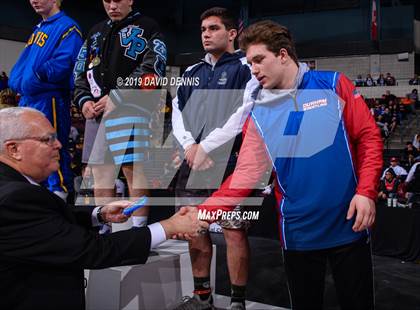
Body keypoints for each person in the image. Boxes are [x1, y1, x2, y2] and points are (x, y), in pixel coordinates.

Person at [198, 20, 383, 309]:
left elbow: (369, 137)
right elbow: (246, 174)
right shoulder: (258, 114)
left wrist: (366, 191)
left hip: (350, 225)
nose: (254, 69)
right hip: (298, 233)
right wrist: (203, 212)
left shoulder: (333, 84)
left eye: (259, 60)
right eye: (250, 63)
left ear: (283, 55)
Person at [0, 107, 208, 310]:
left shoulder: (12, 187)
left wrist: (98, 214)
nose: (59, 145)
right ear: (13, 149)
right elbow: (93, 250)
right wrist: (168, 227)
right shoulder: (15, 198)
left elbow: (45, 218)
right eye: (47, 139)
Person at [172, 7, 257, 310]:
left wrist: (205, 146)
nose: (206, 34)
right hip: (193, 161)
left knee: (234, 232)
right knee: (195, 229)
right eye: (203, 29)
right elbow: (177, 113)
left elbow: (244, 113)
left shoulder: (247, 67)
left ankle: (237, 302)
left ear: (232, 33)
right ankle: (202, 297)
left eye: (214, 28)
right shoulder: (192, 72)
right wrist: (190, 147)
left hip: (232, 163)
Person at [74, 0, 167, 229]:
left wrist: (119, 96)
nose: (112, 5)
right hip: (96, 111)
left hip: (130, 108)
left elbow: (154, 67)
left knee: (132, 168)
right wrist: (83, 100)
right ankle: (104, 228)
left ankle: (139, 228)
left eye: (118, 0)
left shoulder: (148, 26)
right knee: (99, 171)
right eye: (107, 0)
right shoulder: (95, 31)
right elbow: (80, 70)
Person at [8, 0, 83, 201]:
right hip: (28, 97)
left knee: (51, 147)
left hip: (49, 97)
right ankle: (35, 199)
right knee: (28, 151)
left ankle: (60, 197)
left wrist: (40, 75)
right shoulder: (40, 28)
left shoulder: (67, 26)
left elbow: (66, 61)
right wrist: (17, 79)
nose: (34, 0)